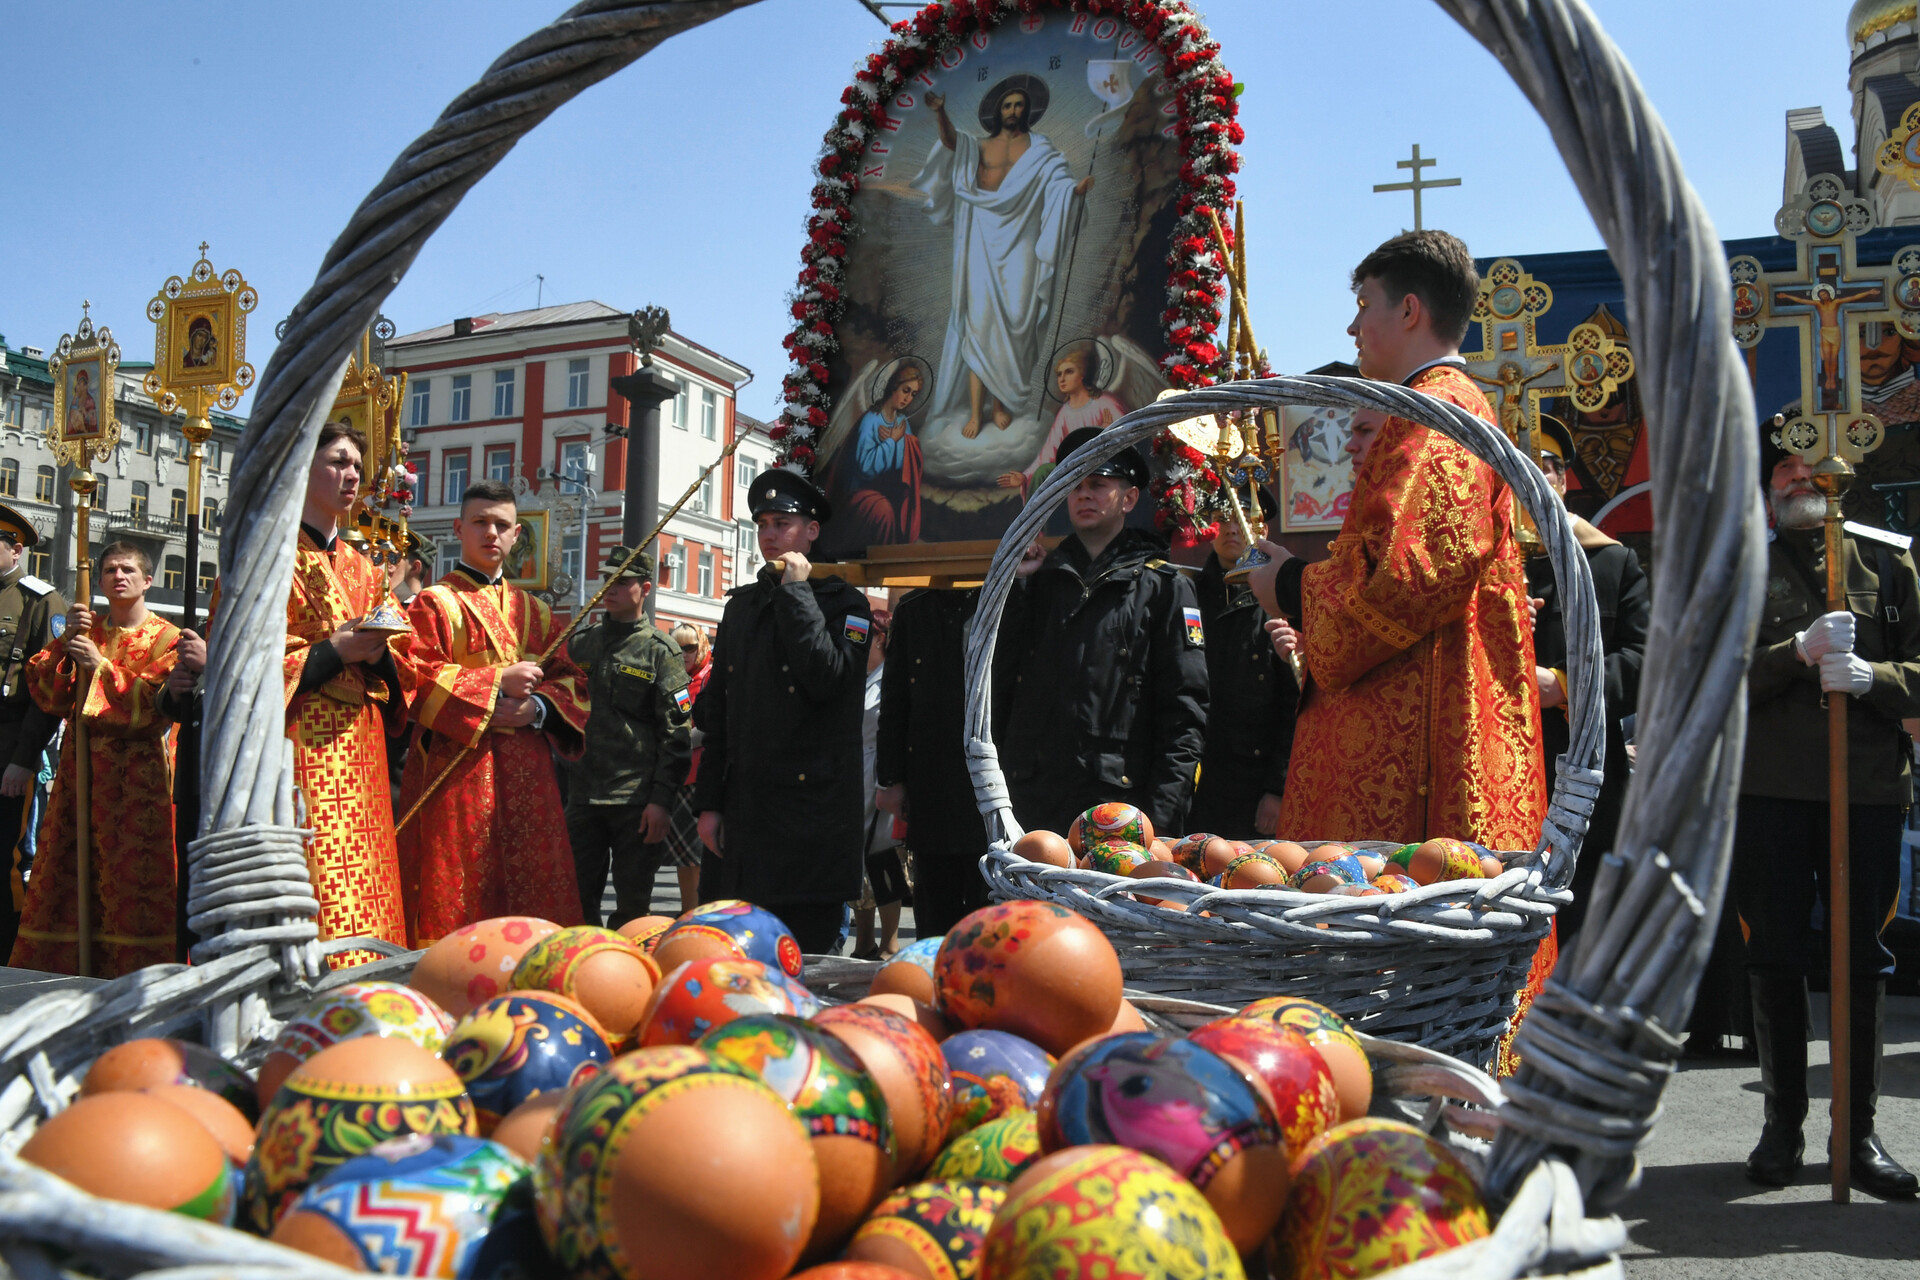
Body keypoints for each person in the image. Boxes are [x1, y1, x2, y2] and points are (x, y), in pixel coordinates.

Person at [1249, 230, 1546, 851]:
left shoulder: (1432, 416)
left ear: (1409, 310)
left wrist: (1286, 584)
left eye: (1364, 304)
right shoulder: (1435, 408)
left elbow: (1406, 578)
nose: (1353, 328)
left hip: (1426, 744)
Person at [1732, 438, 1920, 1199]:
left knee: (1861, 960)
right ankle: (1783, 1128)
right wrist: (1794, 653)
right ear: (1769, 485)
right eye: (1786, 467)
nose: (1803, 477)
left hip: (1868, 791)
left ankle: (1859, 1134)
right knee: (1775, 955)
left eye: (1815, 467)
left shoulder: (1889, 567)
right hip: (1771, 792)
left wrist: (1873, 676)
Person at [398, 480, 588, 944]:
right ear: (459, 529)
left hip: (529, 773)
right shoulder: (435, 603)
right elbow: (414, 677)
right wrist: (493, 688)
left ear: (517, 534)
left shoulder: (537, 612)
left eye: (501, 525)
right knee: (461, 891)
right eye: (480, 523)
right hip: (458, 771)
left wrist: (538, 709)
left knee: (533, 896)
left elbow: (575, 682)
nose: (491, 533)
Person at [693, 468, 874, 953]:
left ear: (812, 531)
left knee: (808, 961)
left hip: (810, 819)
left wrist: (797, 594)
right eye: (764, 524)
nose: (771, 535)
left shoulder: (846, 604)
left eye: (784, 523)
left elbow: (829, 679)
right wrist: (709, 804)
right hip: (748, 813)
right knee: (737, 957)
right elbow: (719, 715)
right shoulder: (742, 607)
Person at [996, 427, 1208, 838]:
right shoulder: (1038, 582)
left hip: (1121, 808)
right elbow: (999, 683)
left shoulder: (1164, 587)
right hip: (1035, 806)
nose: (1083, 495)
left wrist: (1162, 822)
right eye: (1075, 485)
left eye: (1098, 484)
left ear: (1128, 498)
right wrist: (1016, 586)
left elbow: (1184, 712)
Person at [270, 422, 412, 967]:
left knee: (367, 871)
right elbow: (244, 661)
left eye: (355, 464)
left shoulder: (364, 568)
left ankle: (372, 979)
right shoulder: (269, 557)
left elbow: (402, 658)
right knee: (312, 872)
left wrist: (377, 653)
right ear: (302, 470)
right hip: (297, 740)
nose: (351, 474)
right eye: (336, 462)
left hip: (361, 748)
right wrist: (335, 651)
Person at [9, 542, 180, 977]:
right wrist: (67, 646)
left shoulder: (167, 638)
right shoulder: (87, 630)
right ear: (99, 581)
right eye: (109, 570)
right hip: (79, 773)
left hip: (137, 779)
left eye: (127, 569)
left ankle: (132, 975)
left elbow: (157, 708)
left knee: (130, 880)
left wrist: (101, 667)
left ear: (147, 581)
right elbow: (46, 693)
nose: (118, 576)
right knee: (71, 873)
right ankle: (61, 970)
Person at [917, 75, 1094, 440]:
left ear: (1028, 110)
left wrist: (1074, 193)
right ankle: (977, 411)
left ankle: (1000, 404)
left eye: (1019, 105)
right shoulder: (979, 147)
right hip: (982, 237)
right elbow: (951, 142)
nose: (1014, 111)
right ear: (998, 111)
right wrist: (940, 113)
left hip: (1024, 241)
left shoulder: (1041, 150)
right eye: (1008, 105)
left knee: (1016, 323)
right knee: (980, 324)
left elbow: (1059, 184)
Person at [1526, 414, 1647, 939]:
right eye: (1520, 469)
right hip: (1492, 764)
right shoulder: (1472, 561)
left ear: (1565, 479)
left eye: (1546, 468)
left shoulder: (1611, 562)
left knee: (1586, 923)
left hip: (1584, 769)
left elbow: (1647, 660)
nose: (1534, 478)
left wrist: (1564, 685)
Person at [564, 547, 692, 929]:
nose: (611, 589)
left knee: (633, 905)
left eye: (622, 581)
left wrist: (662, 801)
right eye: (607, 580)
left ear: (646, 588)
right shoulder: (580, 643)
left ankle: (626, 978)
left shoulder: (661, 651)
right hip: (583, 794)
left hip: (635, 801)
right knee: (577, 898)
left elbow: (676, 735)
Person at [877, 587, 989, 937]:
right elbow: (895, 700)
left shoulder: (1010, 593)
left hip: (991, 783)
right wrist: (891, 778)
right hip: (932, 784)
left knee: (987, 914)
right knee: (935, 915)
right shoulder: (915, 608)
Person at [1188, 487, 1299, 840]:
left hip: (1252, 783)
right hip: (1195, 773)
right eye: (1220, 518)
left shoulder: (1283, 601)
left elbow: (1292, 704)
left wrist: (1277, 789)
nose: (1230, 528)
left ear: (1261, 529)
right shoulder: (1187, 592)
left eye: (1240, 518)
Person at [0, 503, 65, 963]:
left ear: (16, 549)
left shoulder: (40, 601)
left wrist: (24, 759)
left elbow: (50, 692)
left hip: (7, 750)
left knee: (4, 860)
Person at [998, 343, 1128, 495]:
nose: (1062, 379)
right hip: (1073, 472)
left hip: (1103, 470)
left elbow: (1128, 435)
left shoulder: (1105, 402)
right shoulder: (1065, 413)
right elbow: (1048, 454)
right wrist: (1025, 476)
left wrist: (1108, 433)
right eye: (1059, 374)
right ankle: (1038, 518)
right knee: (1043, 473)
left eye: (1069, 372)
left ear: (1082, 374)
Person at [854, 609, 906, 959]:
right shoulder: (861, 675)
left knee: (884, 859)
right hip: (855, 774)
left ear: (879, 638)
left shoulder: (892, 676)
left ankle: (889, 941)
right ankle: (863, 941)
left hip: (881, 774)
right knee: (857, 862)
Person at [661, 622, 713, 914]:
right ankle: (687, 912)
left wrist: (681, 739)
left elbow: (713, 725)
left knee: (701, 853)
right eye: (677, 648)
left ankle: (702, 914)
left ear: (702, 645)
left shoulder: (712, 677)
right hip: (679, 775)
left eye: (690, 647)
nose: (684, 654)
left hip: (704, 776)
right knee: (685, 856)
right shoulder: (675, 677)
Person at [851, 364, 925, 544]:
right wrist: (892, 442)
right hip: (867, 491)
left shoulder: (902, 423)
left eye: (913, 394)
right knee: (884, 511)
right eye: (905, 390)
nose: (908, 398)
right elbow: (865, 467)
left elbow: (908, 463)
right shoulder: (871, 420)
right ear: (894, 386)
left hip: (894, 490)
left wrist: (902, 442)